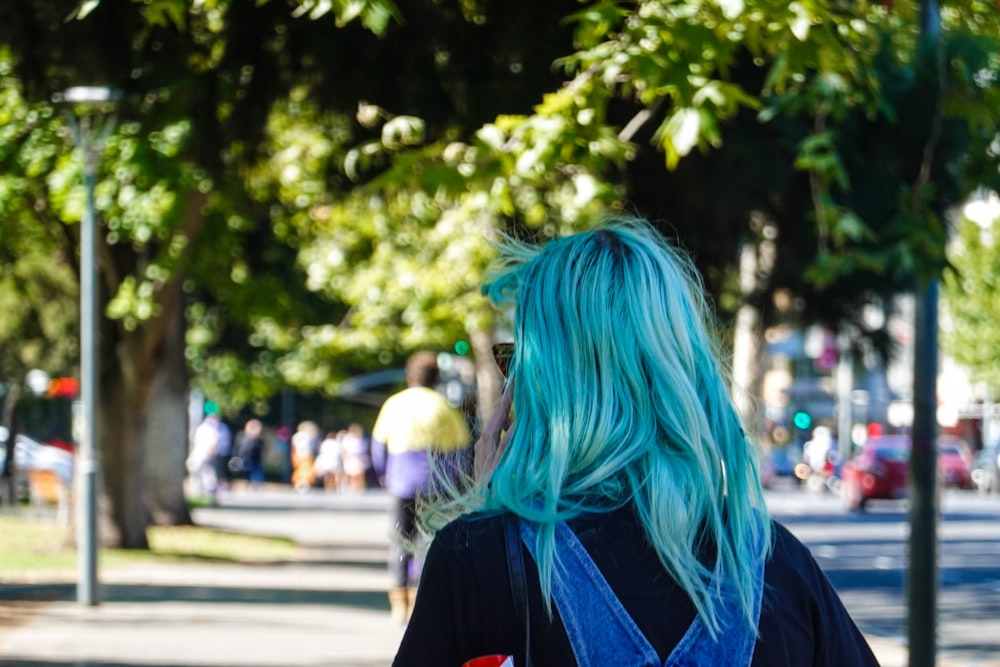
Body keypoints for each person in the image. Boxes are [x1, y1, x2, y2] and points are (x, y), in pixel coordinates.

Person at [394, 218, 879, 666]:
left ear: (543, 380)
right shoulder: (773, 566)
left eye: (517, 360)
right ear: (684, 370)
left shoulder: (479, 563)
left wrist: (492, 514)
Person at [371, 350, 471, 624]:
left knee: (400, 540)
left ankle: (398, 601)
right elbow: (462, 450)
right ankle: (420, 599)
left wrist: (383, 473)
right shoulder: (444, 407)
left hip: (400, 479)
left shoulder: (394, 403)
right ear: (436, 378)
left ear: (409, 376)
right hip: (435, 483)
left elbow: (378, 445)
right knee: (427, 543)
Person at [233, 418, 267, 490]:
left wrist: (255, 435)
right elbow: (238, 446)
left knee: (256, 471)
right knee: (245, 472)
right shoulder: (241, 435)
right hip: (244, 457)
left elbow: (260, 447)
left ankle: (257, 484)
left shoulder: (258, 439)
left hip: (255, 458)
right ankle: (247, 483)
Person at [290, 420, 320, 492]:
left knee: (300, 471)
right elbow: (311, 448)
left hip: (299, 455)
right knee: (306, 471)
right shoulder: (307, 436)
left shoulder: (296, 436)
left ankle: (300, 483)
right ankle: (304, 484)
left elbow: (293, 448)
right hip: (306, 456)